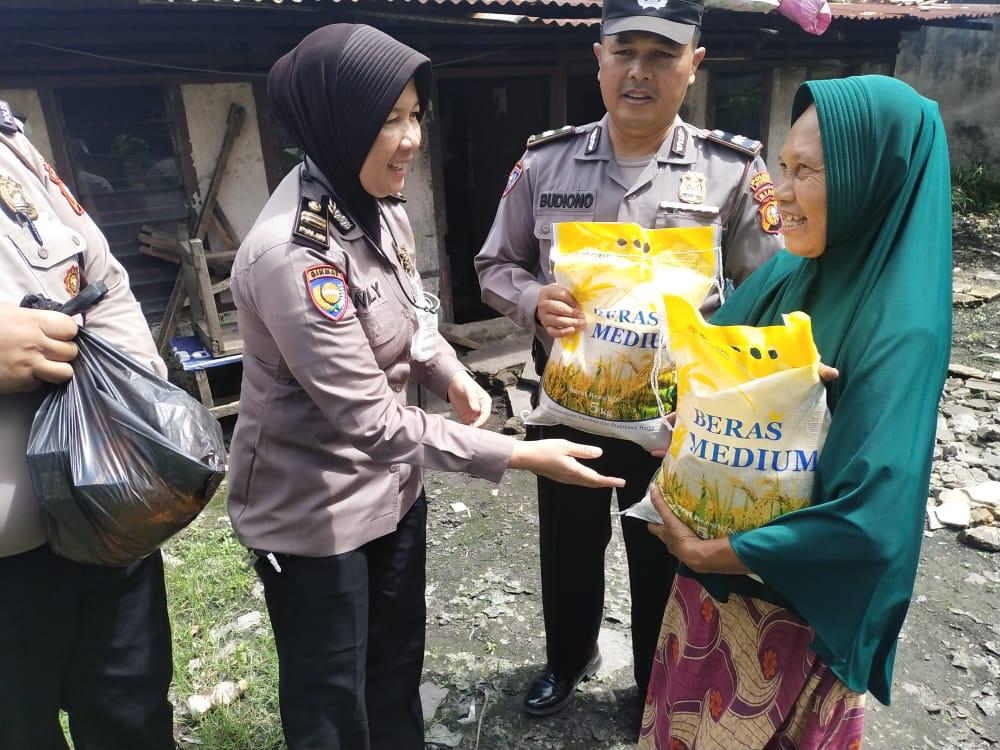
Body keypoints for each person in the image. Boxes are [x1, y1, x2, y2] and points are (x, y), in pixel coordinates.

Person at [227, 24, 625, 750]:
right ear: (337, 122)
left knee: (396, 667)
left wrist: (449, 374)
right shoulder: (294, 256)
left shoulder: (379, 206)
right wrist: (519, 454)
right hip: (312, 520)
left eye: (415, 115)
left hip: (393, 495)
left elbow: (414, 319)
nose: (410, 138)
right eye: (388, 119)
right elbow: (373, 422)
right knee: (331, 701)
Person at [474, 0, 782, 716]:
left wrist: (725, 361)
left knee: (662, 558)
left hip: (676, 418)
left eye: (661, 55)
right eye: (625, 52)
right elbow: (494, 264)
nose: (639, 72)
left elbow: (769, 290)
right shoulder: (547, 161)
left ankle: (653, 683)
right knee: (568, 550)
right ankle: (569, 656)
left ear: (693, 65)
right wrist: (531, 301)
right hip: (571, 405)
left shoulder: (732, 171)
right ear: (598, 58)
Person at [641, 75, 952, 749]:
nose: (779, 193)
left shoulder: (900, 330)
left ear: (874, 177)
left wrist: (720, 551)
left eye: (806, 171)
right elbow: (708, 368)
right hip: (705, 597)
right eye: (783, 166)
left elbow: (872, 523)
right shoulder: (788, 272)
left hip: (786, 621)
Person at [0, 104, 175, 749]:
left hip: (105, 503)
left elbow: (102, 278)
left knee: (133, 707)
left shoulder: (11, 141)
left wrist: (139, 415)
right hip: (8, 553)